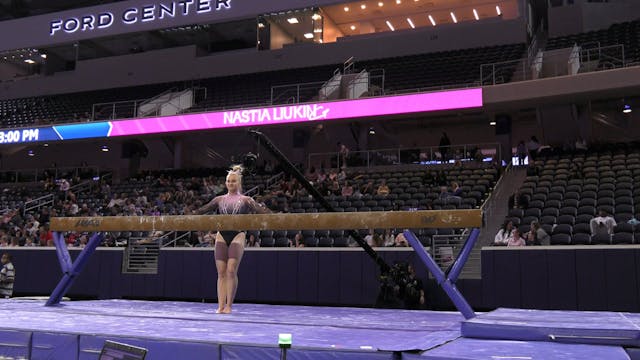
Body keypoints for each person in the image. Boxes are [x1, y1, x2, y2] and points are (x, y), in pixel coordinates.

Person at [194, 165, 270, 314]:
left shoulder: (246, 200)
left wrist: (277, 217)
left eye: (233, 181)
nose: (230, 183)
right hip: (222, 234)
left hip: (238, 234)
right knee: (221, 271)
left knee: (230, 270)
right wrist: (188, 216)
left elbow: (262, 211)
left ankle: (229, 305)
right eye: (228, 181)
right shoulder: (219, 199)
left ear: (239, 183)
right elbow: (202, 210)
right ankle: (220, 306)